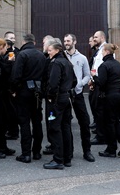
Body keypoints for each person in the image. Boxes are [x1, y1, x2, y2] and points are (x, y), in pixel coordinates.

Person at [11, 33, 47, 163]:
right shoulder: (41, 55)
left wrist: (14, 90)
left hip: (24, 92)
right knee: (37, 122)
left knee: (24, 122)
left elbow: (16, 75)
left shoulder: (22, 55)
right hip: (37, 93)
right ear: (34, 42)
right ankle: (36, 151)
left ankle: (26, 153)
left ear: (23, 42)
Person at [93, 43, 120, 158]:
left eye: (103, 51)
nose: (102, 53)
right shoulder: (118, 65)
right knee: (116, 121)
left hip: (110, 97)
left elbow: (101, 83)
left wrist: (94, 77)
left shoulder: (104, 66)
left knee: (109, 123)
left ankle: (111, 149)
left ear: (107, 52)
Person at [43, 42, 75, 170]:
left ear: (56, 50)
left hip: (56, 100)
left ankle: (58, 159)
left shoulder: (56, 63)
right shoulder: (67, 62)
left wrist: (50, 97)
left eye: (50, 50)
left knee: (55, 128)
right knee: (65, 127)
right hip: (66, 98)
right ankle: (67, 157)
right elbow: (75, 81)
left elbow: (53, 83)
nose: (48, 52)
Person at [63, 34, 95, 162]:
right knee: (66, 124)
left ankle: (87, 151)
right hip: (65, 95)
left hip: (78, 95)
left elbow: (87, 75)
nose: (66, 43)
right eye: (65, 41)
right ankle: (68, 152)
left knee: (84, 122)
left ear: (74, 42)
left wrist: (80, 83)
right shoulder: (62, 56)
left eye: (68, 40)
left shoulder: (82, 58)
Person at [89, 30, 107, 145]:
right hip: (96, 82)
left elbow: (100, 68)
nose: (94, 39)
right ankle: (100, 132)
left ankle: (101, 136)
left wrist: (94, 80)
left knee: (100, 111)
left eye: (96, 37)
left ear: (102, 37)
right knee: (97, 109)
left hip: (100, 84)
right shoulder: (99, 50)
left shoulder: (105, 50)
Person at [3, 31, 20, 141]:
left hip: (15, 85)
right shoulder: (3, 52)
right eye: (10, 38)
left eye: (13, 38)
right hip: (5, 85)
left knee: (14, 109)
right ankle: (7, 129)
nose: (12, 40)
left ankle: (14, 131)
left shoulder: (18, 52)